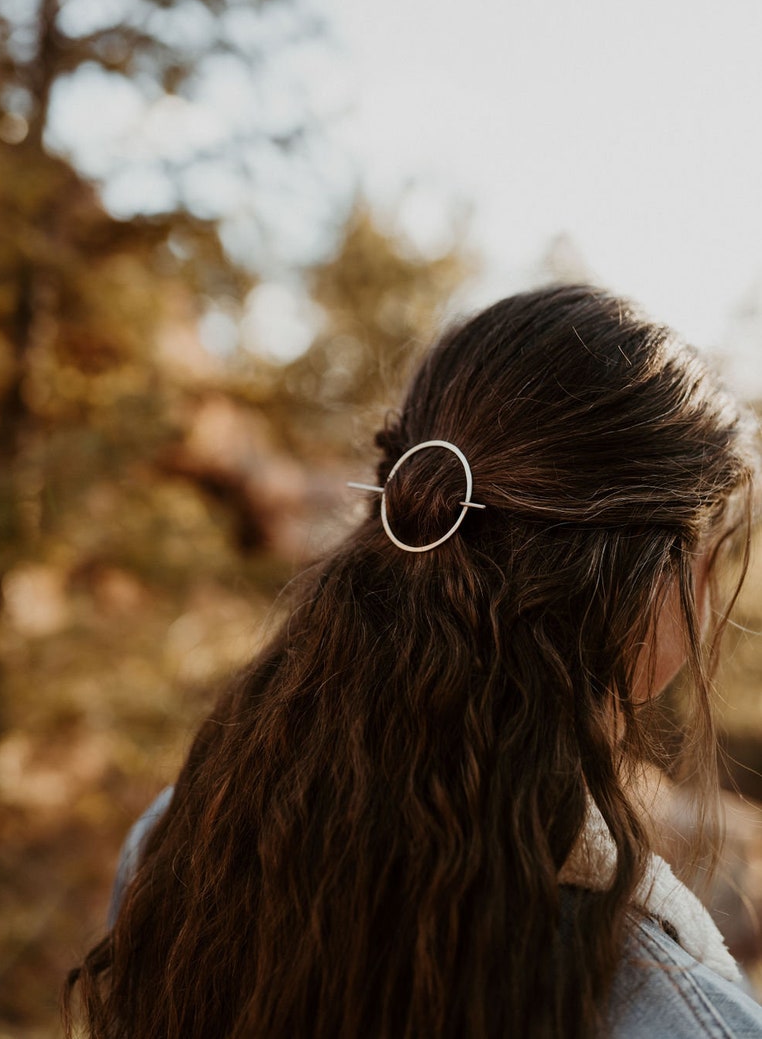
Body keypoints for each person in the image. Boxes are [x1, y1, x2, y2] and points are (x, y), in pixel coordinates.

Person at [65, 285, 762, 1038]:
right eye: (701, 556)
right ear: (635, 581)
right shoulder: (680, 1017)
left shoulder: (177, 845)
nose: (703, 602)